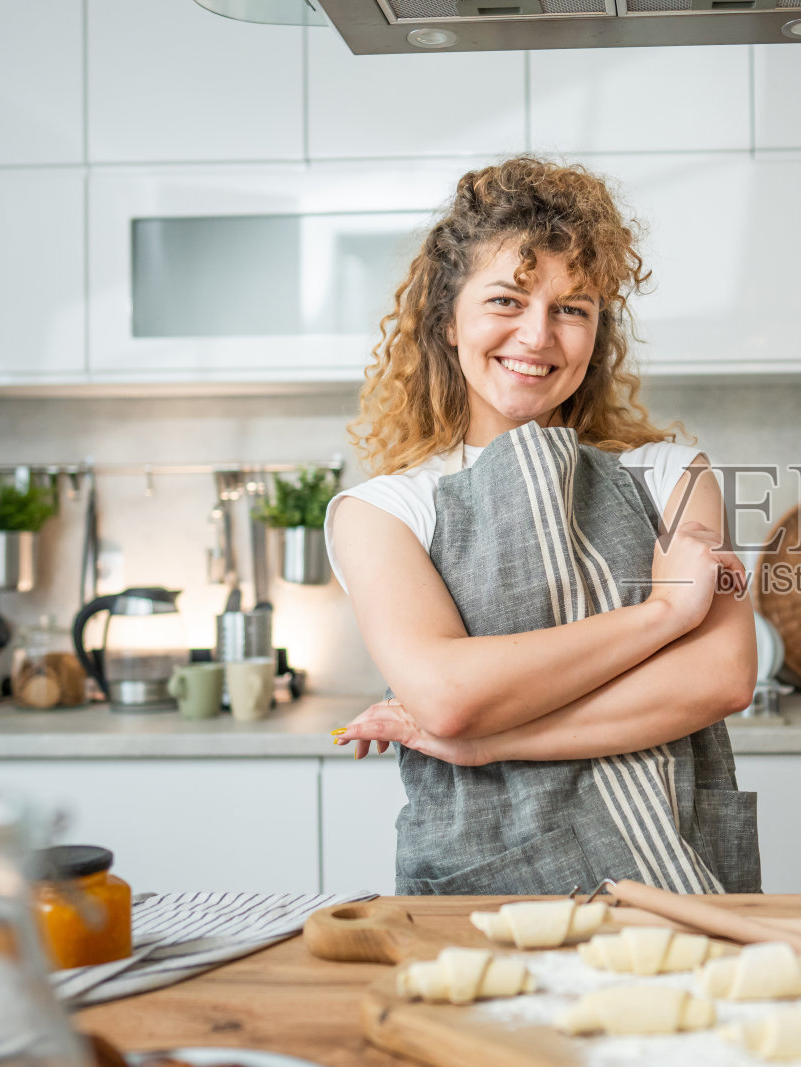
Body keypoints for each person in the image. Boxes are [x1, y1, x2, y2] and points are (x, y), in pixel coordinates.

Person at [323, 157, 761, 897]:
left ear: (596, 334)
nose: (537, 335)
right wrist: (663, 613)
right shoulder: (383, 510)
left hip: (677, 890)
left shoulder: (673, 473)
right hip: (478, 898)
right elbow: (448, 695)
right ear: (446, 318)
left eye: (572, 309)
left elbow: (720, 677)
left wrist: (485, 743)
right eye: (506, 300)